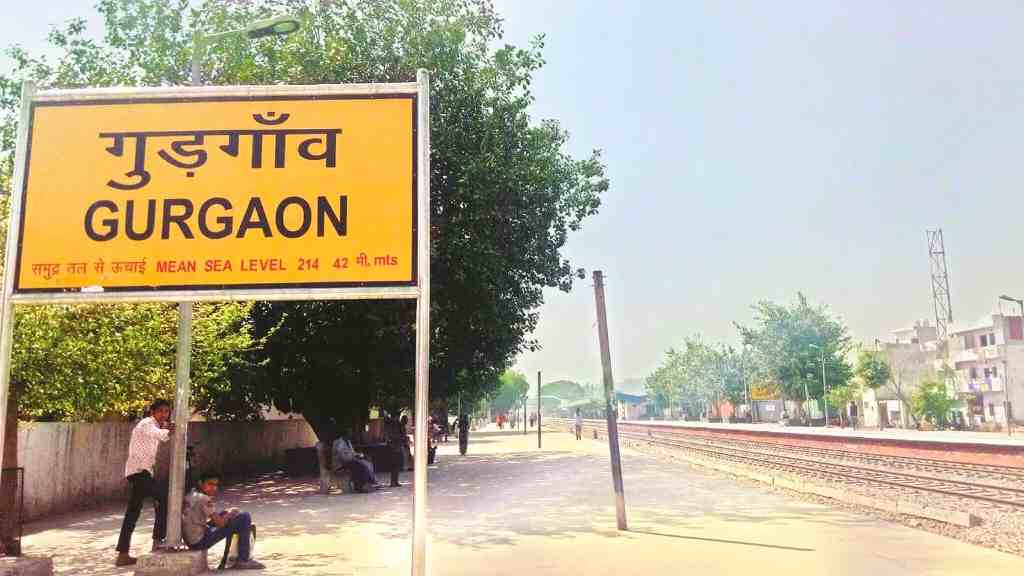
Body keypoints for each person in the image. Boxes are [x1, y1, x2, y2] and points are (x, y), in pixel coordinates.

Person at [115, 398, 176, 567]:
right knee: (164, 498)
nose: (165, 414)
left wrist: (166, 430)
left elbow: (162, 437)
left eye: (167, 411)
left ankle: (123, 554)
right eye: (162, 411)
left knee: (132, 514)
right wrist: (169, 430)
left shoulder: (155, 426)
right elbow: (160, 435)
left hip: (142, 473)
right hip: (139, 473)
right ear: (153, 412)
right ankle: (157, 542)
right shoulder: (147, 423)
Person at [182, 471, 265, 570]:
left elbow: (210, 518)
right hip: (199, 541)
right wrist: (231, 514)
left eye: (215, 485)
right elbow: (220, 523)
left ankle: (233, 555)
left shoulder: (192, 494)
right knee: (244, 517)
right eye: (210, 484)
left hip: (191, 539)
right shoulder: (204, 499)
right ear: (201, 483)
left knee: (225, 514)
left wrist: (226, 514)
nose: (213, 488)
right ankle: (243, 560)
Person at [385, 414, 408, 487]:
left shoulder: (400, 426)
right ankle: (393, 482)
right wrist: (403, 439)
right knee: (394, 465)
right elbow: (396, 437)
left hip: (398, 447)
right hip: (395, 448)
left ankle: (395, 481)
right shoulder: (397, 427)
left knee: (397, 466)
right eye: (405, 420)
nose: (406, 422)